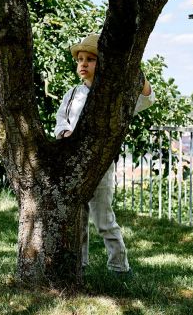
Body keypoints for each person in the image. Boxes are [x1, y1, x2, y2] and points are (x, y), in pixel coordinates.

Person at [54, 33, 154, 276]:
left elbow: (146, 97)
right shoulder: (73, 94)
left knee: (103, 219)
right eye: (80, 59)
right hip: (74, 162)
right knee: (77, 218)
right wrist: (64, 134)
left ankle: (119, 267)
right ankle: (80, 264)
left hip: (101, 162)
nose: (84, 64)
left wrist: (131, 65)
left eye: (91, 59)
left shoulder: (113, 94)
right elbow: (61, 121)